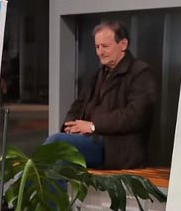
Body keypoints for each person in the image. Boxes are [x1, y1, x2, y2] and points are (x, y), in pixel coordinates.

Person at [45, 21, 158, 170]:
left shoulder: (141, 73)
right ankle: (29, 183)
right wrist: (70, 126)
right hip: (91, 140)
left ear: (123, 44)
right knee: (57, 158)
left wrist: (93, 126)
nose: (100, 52)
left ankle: (25, 184)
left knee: (57, 143)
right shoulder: (98, 75)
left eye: (105, 46)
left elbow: (136, 116)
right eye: (97, 47)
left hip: (118, 149)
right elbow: (77, 105)